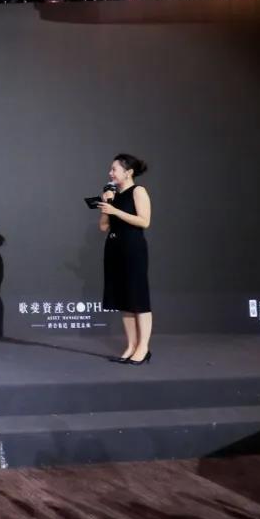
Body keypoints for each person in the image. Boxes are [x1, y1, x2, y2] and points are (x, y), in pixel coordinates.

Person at [97, 153, 153, 365]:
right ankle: (131, 345)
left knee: (138, 297)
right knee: (124, 299)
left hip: (133, 249)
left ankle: (143, 348)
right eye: (110, 169)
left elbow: (144, 221)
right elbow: (103, 227)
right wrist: (106, 206)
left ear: (128, 172)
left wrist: (115, 211)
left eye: (114, 169)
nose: (110, 173)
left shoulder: (138, 191)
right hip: (114, 249)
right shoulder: (112, 194)